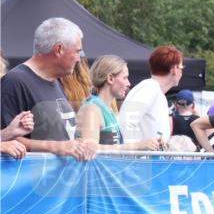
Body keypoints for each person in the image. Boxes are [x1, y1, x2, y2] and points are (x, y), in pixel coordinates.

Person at [0, 17, 96, 161]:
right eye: (77, 52)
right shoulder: (15, 81)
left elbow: (61, 136)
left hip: (59, 180)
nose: (78, 58)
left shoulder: (56, 80)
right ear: (58, 50)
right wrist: (56, 147)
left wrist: (80, 144)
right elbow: (9, 141)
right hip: (32, 180)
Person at [76, 55, 159, 151]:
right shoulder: (91, 109)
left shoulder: (108, 109)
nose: (128, 83)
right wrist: (137, 146)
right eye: (125, 78)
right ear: (110, 78)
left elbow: (115, 148)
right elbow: (87, 148)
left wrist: (146, 146)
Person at [119, 45, 184, 145]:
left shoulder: (155, 91)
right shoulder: (149, 88)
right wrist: (135, 152)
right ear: (174, 69)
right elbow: (125, 123)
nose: (181, 71)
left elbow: (157, 136)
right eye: (181, 67)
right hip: (140, 159)